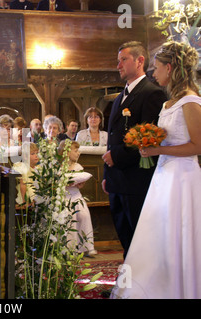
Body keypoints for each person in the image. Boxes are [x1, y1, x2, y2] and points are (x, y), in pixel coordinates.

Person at [111, 41, 201, 299]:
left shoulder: (191, 101)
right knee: (159, 236)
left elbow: (197, 145)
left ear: (170, 68)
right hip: (163, 175)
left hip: (183, 177)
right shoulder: (168, 102)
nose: (153, 72)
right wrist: (147, 141)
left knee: (180, 234)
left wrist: (156, 150)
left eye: (157, 67)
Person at [101, 41, 167, 259]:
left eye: (123, 60)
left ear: (140, 61)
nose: (118, 65)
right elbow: (113, 138)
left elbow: (149, 138)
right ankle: (131, 281)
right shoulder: (121, 96)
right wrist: (107, 174)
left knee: (140, 238)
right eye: (118, 60)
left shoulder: (152, 94)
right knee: (125, 237)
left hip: (136, 179)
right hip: (117, 179)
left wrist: (116, 158)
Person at [58, 140, 97, 257]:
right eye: (75, 151)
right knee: (71, 218)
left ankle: (87, 246)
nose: (78, 153)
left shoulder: (78, 166)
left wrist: (80, 184)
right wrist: (65, 184)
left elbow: (81, 183)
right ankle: (71, 248)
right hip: (64, 197)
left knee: (84, 216)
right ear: (67, 152)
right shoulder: (59, 166)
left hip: (76, 196)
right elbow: (56, 182)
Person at [12, 142, 40, 206]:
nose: (36, 156)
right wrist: (24, 200)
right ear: (25, 156)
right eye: (32, 154)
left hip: (38, 190)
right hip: (27, 191)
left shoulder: (39, 168)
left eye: (37, 153)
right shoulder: (22, 167)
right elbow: (23, 184)